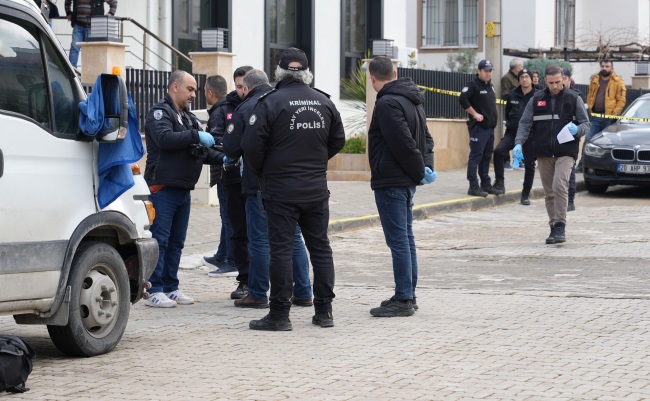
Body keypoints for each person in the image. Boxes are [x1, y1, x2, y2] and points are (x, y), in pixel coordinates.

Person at [242, 47, 345, 331]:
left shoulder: (270, 102)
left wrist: (266, 170)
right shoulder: (324, 102)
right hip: (315, 189)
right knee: (320, 249)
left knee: (281, 251)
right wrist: (315, 161)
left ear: (279, 71)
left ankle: (279, 315)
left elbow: (251, 147)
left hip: (281, 190)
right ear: (307, 72)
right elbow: (337, 140)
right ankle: (324, 312)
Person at [222, 69, 313, 309]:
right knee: (293, 238)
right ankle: (303, 292)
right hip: (290, 182)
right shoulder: (283, 101)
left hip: (259, 183)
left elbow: (231, 147)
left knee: (259, 240)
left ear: (247, 88)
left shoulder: (247, 107)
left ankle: (258, 293)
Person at [143, 70, 223, 307]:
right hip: (163, 188)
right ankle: (154, 289)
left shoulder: (188, 117)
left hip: (182, 189)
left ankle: (171, 287)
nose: (193, 95)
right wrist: (195, 135)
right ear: (175, 87)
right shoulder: (160, 113)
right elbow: (165, 139)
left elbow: (201, 151)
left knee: (177, 241)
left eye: (195, 90)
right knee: (160, 240)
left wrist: (226, 158)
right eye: (190, 89)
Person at [364, 56, 435, 317]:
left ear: (372, 78)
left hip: (392, 179)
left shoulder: (387, 103)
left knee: (399, 241)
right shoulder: (411, 98)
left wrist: (419, 171)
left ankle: (404, 298)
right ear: (394, 73)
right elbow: (426, 139)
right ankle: (407, 294)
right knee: (406, 238)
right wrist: (425, 168)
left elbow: (402, 142)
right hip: (405, 179)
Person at [513, 65, 590, 245]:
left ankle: (560, 225)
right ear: (545, 82)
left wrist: (577, 129)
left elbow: (586, 124)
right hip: (544, 152)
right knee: (549, 193)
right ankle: (553, 225)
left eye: (557, 82)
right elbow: (524, 123)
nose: (555, 86)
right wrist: (518, 143)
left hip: (566, 152)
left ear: (563, 79)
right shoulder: (536, 99)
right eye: (551, 83)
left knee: (559, 186)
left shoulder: (574, 98)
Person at [203, 66, 253, 301]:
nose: (243, 90)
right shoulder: (225, 109)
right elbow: (214, 142)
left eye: (246, 86)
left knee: (258, 233)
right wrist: (232, 152)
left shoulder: (263, 104)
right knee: (234, 226)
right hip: (231, 179)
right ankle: (241, 275)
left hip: (257, 182)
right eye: (239, 86)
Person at [202, 75, 236, 275]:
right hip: (228, 171)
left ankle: (231, 261)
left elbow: (215, 144)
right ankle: (222, 255)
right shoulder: (229, 108)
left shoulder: (218, 112)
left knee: (228, 217)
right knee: (227, 216)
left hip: (224, 173)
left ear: (209, 92)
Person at [493, 69, 537, 202]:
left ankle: (525, 194)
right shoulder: (512, 95)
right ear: (518, 80)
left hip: (530, 134)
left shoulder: (538, 95)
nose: (524, 79)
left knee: (529, 163)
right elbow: (508, 113)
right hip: (513, 133)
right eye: (522, 77)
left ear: (531, 79)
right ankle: (499, 183)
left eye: (527, 77)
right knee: (498, 152)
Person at [459, 59, 499, 197]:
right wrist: (474, 114)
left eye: (490, 71)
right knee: (476, 156)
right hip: (478, 128)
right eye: (486, 71)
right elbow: (462, 99)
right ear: (479, 71)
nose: (488, 73)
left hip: (489, 129)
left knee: (486, 157)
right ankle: (473, 186)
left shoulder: (490, 86)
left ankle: (485, 184)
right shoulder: (473, 86)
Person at [577, 60, 626, 171]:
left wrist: (615, 114)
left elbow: (621, 100)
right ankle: (582, 164)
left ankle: (605, 167)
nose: (604, 68)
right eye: (602, 66)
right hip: (594, 117)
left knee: (607, 142)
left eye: (607, 66)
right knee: (588, 139)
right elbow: (590, 96)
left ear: (612, 68)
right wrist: (589, 110)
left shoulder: (618, 81)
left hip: (608, 118)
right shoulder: (595, 80)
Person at [65, 0, 118, 68]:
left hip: (92, 27)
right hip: (78, 25)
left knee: (90, 51)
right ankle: (71, 71)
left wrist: (110, 14)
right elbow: (67, 1)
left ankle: (89, 72)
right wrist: (68, 12)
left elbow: (114, 2)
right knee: (74, 48)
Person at [561, 68, 584, 211]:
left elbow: (585, 121)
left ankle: (570, 200)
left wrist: (577, 130)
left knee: (570, 170)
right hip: (555, 138)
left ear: (569, 80)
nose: (561, 82)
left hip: (571, 138)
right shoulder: (553, 95)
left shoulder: (577, 96)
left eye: (564, 78)